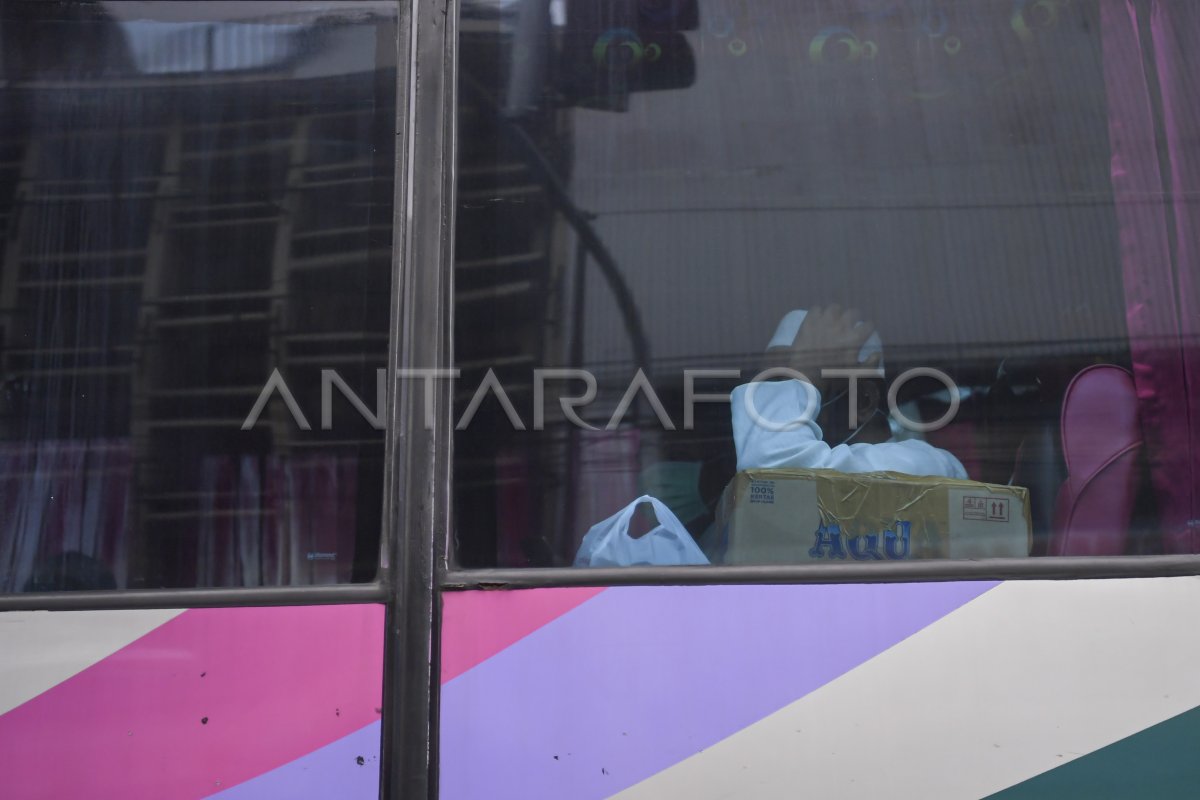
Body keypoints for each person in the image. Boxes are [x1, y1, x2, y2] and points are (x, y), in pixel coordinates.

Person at [731, 305, 967, 479]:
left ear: (863, 401)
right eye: (769, 390)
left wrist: (803, 371)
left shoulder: (926, 468)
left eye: (795, 384)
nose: (766, 412)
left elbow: (773, 481)